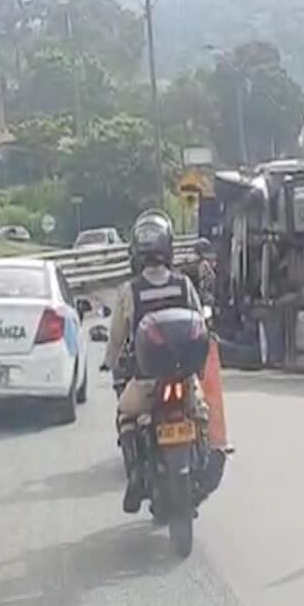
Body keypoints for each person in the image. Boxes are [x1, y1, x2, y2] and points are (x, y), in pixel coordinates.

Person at [106, 212, 205, 513]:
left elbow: (116, 337)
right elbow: (201, 322)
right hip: (185, 377)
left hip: (148, 381)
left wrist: (111, 362)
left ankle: (136, 472)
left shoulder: (130, 291)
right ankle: (202, 458)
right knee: (201, 416)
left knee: (125, 414)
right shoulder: (184, 284)